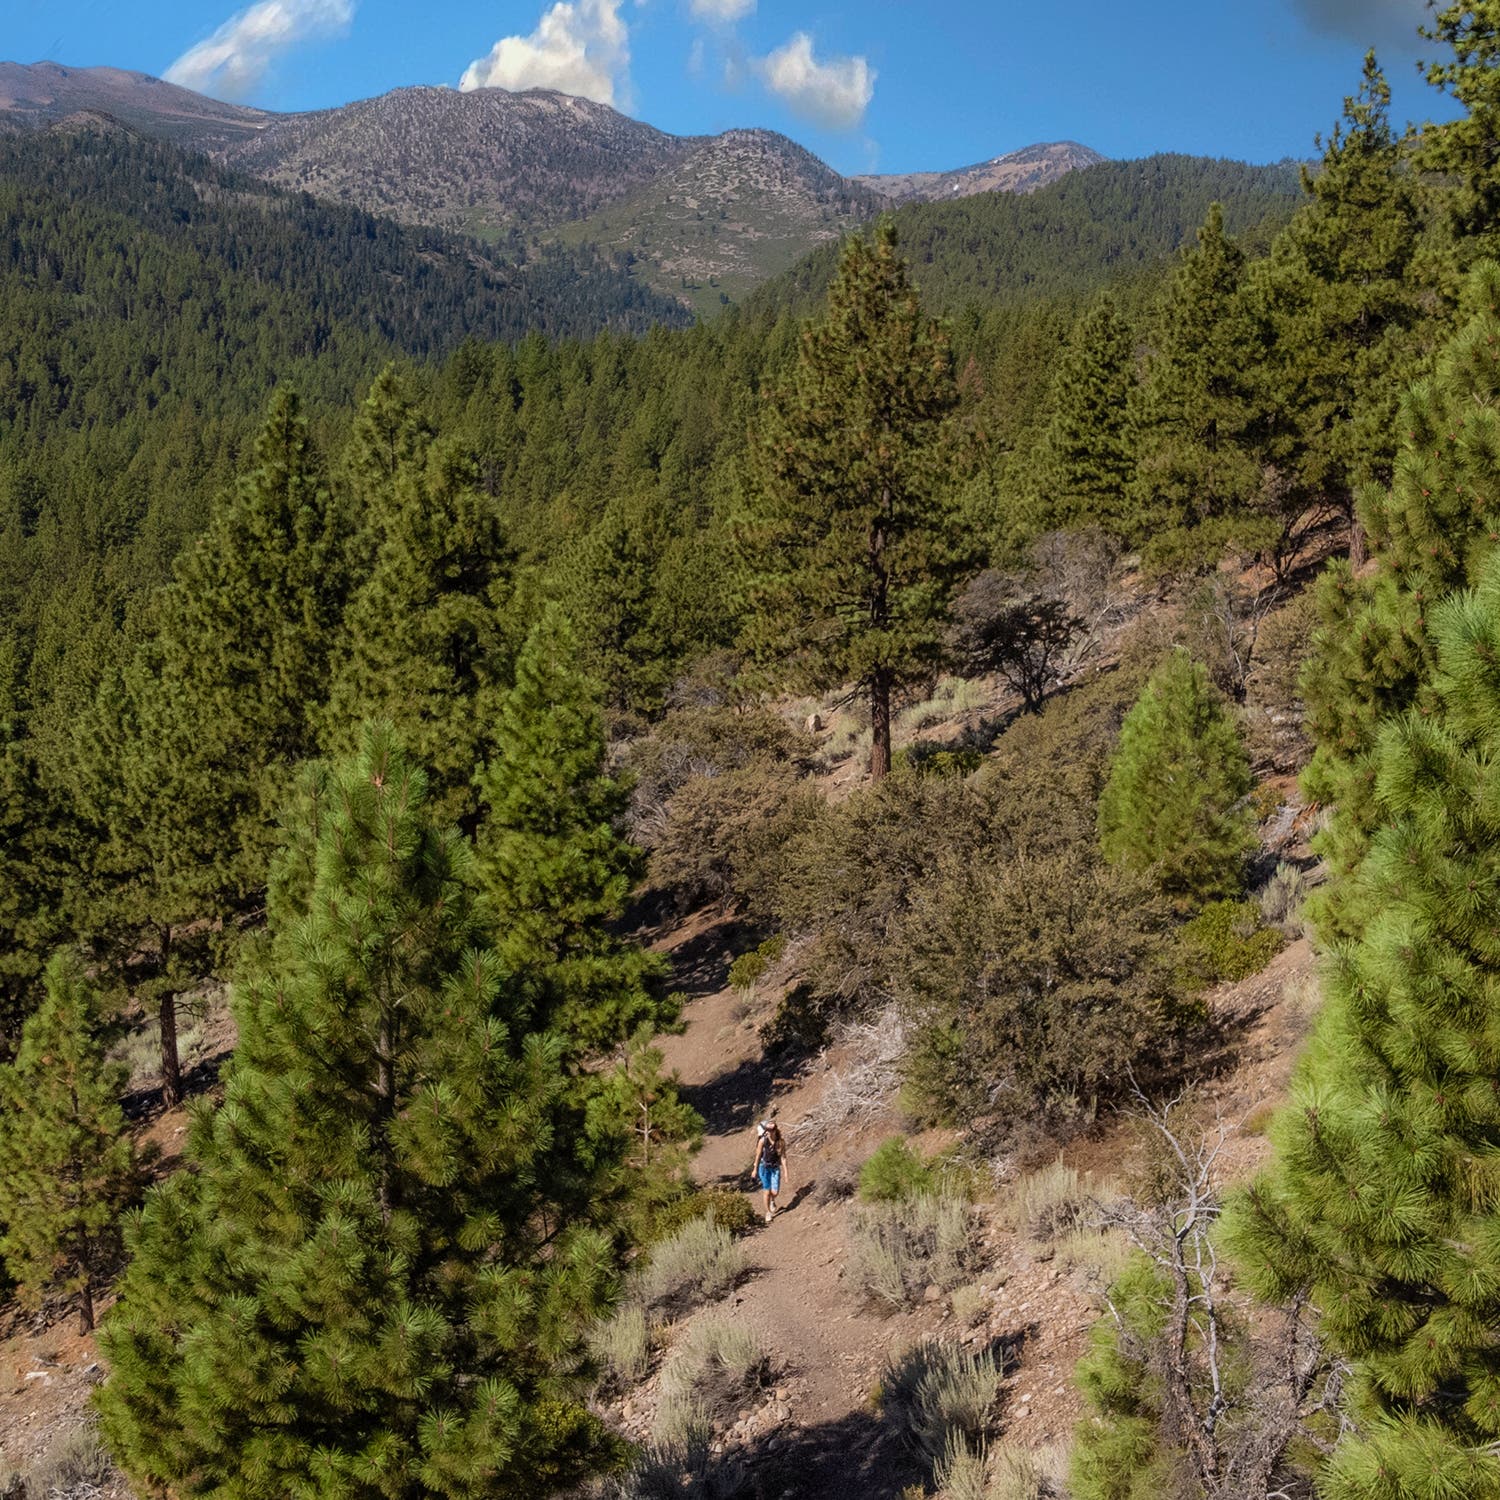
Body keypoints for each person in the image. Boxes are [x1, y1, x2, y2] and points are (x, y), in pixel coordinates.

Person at [751, 1120, 788, 1223]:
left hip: (775, 1168)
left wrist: (785, 1172)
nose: (769, 1132)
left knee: (775, 1192)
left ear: (775, 1130)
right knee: (766, 1191)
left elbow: (783, 1157)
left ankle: (772, 1200)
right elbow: (758, 1156)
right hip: (764, 1167)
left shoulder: (780, 1142)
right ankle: (768, 1212)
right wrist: (755, 1169)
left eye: (771, 1129)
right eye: (767, 1130)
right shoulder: (762, 1141)